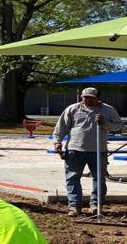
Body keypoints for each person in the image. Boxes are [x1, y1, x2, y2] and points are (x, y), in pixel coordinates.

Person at [52, 87, 122, 216]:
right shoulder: (72, 109)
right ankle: (74, 206)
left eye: (91, 97)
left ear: (98, 98)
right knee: (72, 178)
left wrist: (104, 122)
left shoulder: (108, 110)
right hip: (75, 149)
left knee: (99, 179)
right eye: (85, 97)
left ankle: (96, 205)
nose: (88, 100)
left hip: (98, 150)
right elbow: (60, 127)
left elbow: (118, 126)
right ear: (81, 97)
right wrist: (57, 142)